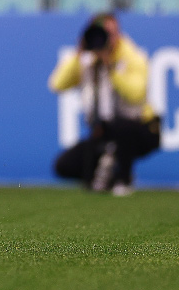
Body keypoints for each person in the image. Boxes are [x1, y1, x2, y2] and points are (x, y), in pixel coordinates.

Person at [49, 13, 160, 196]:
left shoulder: (132, 56)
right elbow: (57, 84)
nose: (105, 38)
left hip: (142, 128)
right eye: (100, 33)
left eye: (110, 33)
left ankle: (124, 177)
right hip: (104, 133)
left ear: (118, 34)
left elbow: (136, 95)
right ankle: (107, 170)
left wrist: (111, 67)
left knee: (122, 127)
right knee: (64, 165)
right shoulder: (87, 60)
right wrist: (78, 54)